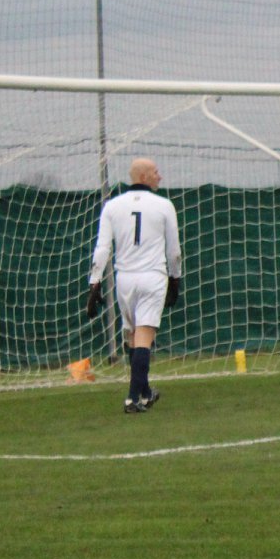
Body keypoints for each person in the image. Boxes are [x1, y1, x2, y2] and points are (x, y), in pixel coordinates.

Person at [86, 157, 182, 413]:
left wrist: (94, 283)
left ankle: (146, 392)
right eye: (155, 171)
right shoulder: (164, 206)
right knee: (144, 336)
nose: (159, 176)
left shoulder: (112, 206)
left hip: (124, 279)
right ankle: (132, 398)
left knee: (133, 335)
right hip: (152, 277)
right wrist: (176, 278)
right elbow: (173, 251)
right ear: (143, 177)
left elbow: (102, 248)